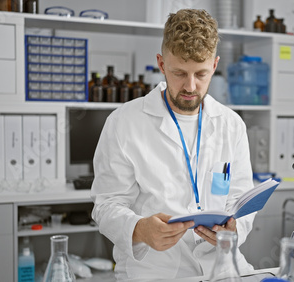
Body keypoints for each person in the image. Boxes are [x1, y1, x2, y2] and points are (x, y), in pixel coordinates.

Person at [91, 9, 255, 281]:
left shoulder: (231, 124)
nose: (190, 86)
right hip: (156, 271)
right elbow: (106, 204)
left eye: (201, 74)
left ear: (214, 66)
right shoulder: (123, 122)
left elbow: (240, 198)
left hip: (223, 267)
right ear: (161, 64)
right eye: (179, 72)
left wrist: (236, 229)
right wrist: (140, 229)